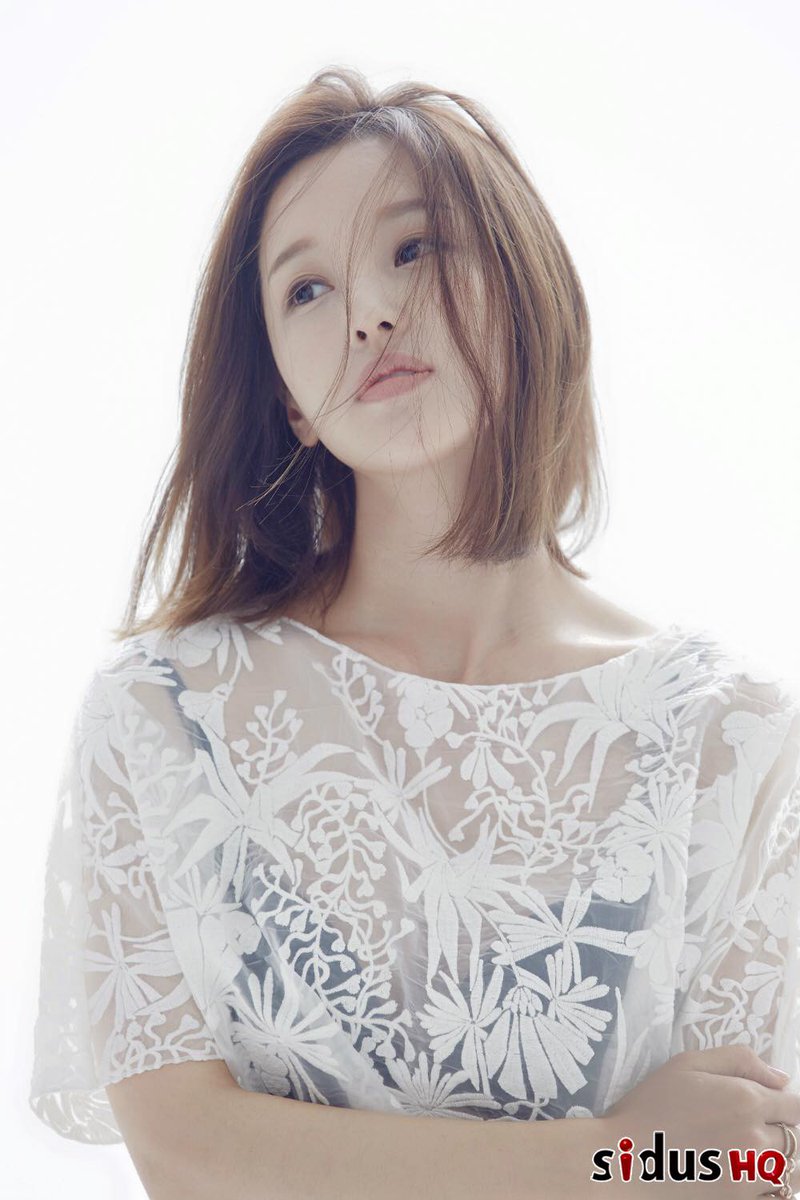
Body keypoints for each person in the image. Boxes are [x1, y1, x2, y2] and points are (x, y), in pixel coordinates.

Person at [28, 65, 800, 1197]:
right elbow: (188, 1157)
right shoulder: (163, 714)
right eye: (306, 289)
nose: (369, 314)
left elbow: (745, 1163)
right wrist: (612, 1156)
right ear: (289, 399)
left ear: (524, 285)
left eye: (413, 248)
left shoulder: (730, 738)